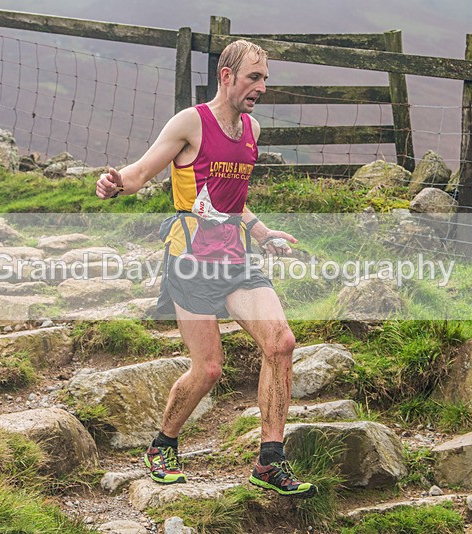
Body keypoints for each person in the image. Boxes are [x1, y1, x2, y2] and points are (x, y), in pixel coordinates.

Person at [96, 39, 317, 498]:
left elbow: (230, 198)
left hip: (236, 260)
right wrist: (115, 182)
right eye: (253, 78)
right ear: (226, 76)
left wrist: (262, 234)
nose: (261, 87)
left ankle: (269, 461)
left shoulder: (252, 129)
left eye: (265, 79)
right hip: (191, 263)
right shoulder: (190, 123)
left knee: (281, 343)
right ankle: (163, 444)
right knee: (209, 370)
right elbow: (139, 174)